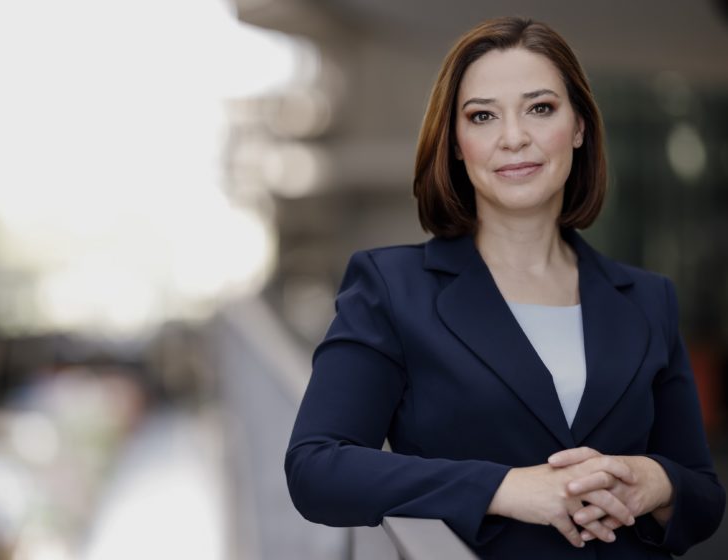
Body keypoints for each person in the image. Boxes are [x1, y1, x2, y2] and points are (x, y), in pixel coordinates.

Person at [284, 16, 725, 559]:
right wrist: (502, 488)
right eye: (483, 116)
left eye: (540, 108)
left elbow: (704, 497)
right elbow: (318, 469)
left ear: (580, 126)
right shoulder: (391, 289)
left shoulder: (648, 297)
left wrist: (654, 481)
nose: (514, 137)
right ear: (455, 143)